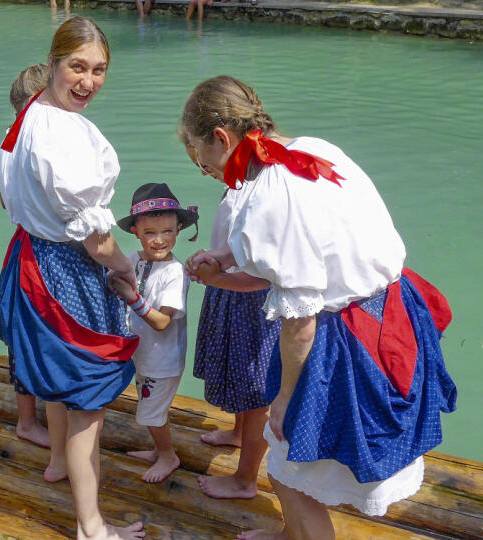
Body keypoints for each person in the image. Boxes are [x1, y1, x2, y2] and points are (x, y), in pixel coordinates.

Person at [181, 75, 457, 539]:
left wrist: (285, 400)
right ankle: (291, 535)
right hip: (393, 309)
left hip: (346, 335)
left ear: (223, 139)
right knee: (299, 460)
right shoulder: (313, 149)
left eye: (197, 151)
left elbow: (301, 321)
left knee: (290, 463)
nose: (201, 164)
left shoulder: (269, 196)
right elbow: (312, 242)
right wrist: (227, 260)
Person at [0, 16, 145, 540]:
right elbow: (97, 239)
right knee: (87, 405)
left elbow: (9, 198)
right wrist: (125, 267)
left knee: (60, 387)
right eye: (77, 67)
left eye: (99, 70)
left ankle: (58, 462)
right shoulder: (61, 135)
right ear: (54, 63)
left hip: (33, 259)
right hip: (69, 272)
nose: (88, 81)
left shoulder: (28, 115)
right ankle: (92, 529)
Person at [179, 138, 280, 500]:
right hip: (229, 289)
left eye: (207, 166)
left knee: (255, 392)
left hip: (251, 299)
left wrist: (218, 272)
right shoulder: (240, 185)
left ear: (222, 141)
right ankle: (239, 434)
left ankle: (246, 479)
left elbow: (258, 263)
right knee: (240, 378)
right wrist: (212, 260)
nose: (208, 174)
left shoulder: (261, 190)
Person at [109, 183, 198, 484]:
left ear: (179, 229)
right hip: (142, 355)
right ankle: (159, 448)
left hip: (163, 361)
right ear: (135, 231)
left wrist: (132, 298)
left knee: (151, 412)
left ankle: (168, 456)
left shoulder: (175, 273)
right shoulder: (134, 260)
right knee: (151, 409)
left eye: (168, 232)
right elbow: (112, 277)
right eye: (150, 233)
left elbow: (162, 322)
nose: (159, 240)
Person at [4, 63, 53, 449]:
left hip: (21, 246)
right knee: (48, 335)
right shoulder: (42, 142)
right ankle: (36, 420)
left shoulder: (7, 140)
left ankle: (28, 417)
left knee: (22, 333)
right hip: (45, 252)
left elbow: (6, 202)